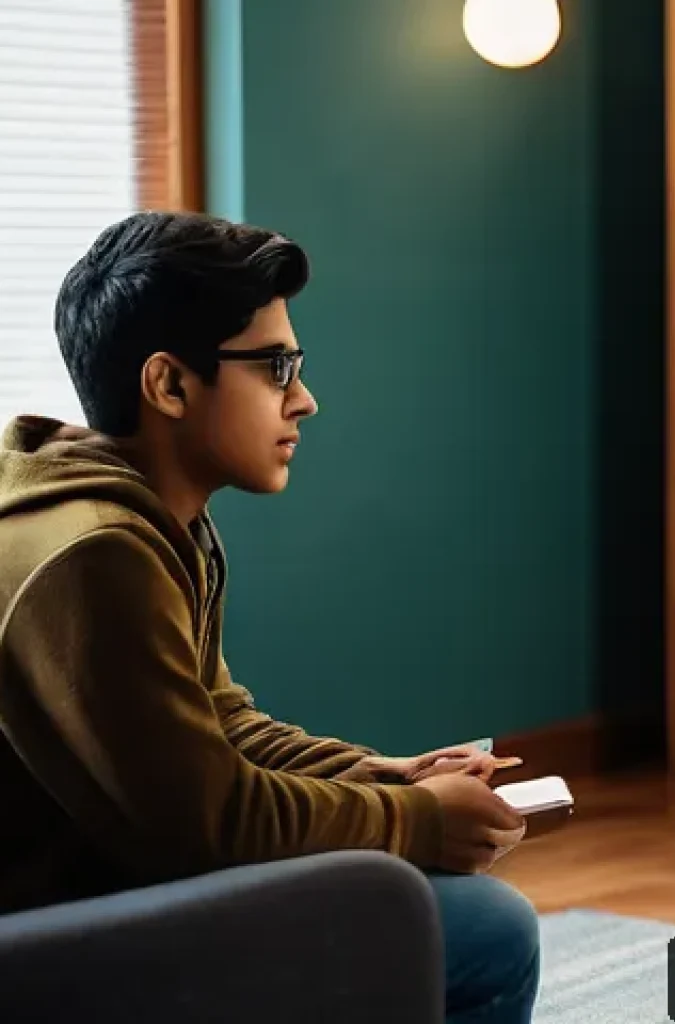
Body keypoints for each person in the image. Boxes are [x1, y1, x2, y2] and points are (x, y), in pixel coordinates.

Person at [0, 211, 540, 1024]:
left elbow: (221, 726)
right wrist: (415, 822)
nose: (306, 400)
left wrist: (385, 774)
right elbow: (212, 821)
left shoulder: (138, 514)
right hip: (37, 941)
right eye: (277, 367)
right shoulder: (96, 556)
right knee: (481, 929)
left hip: (95, 880)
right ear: (170, 385)